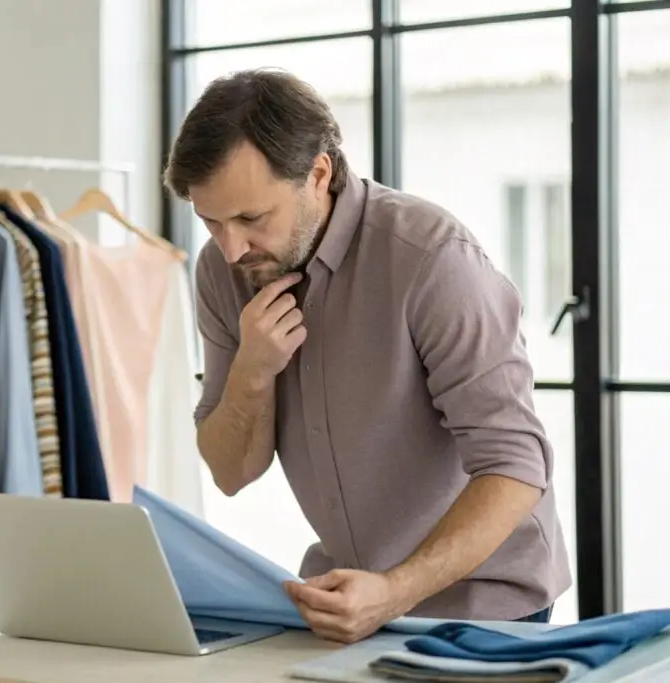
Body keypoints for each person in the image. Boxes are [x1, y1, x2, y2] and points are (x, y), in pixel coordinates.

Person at [163, 68, 571, 644]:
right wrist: (252, 371)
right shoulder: (222, 271)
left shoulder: (430, 259)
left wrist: (395, 591)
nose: (230, 248)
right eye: (210, 221)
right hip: (349, 601)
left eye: (251, 219)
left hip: (485, 608)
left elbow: (515, 465)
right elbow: (231, 471)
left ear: (319, 174)